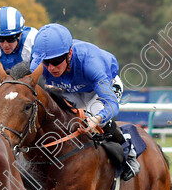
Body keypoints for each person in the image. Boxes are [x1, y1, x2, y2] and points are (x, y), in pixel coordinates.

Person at [29, 23, 139, 180]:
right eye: (47, 62)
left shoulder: (92, 64)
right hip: (73, 90)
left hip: (101, 88)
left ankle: (128, 148)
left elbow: (112, 105)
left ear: (70, 53)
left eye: (57, 61)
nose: (52, 68)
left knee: (95, 116)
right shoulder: (38, 64)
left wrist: (97, 119)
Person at [0, 6, 38, 72]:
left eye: (10, 39)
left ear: (20, 35)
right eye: (0, 38)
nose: (5, 45)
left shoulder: (33, 42)